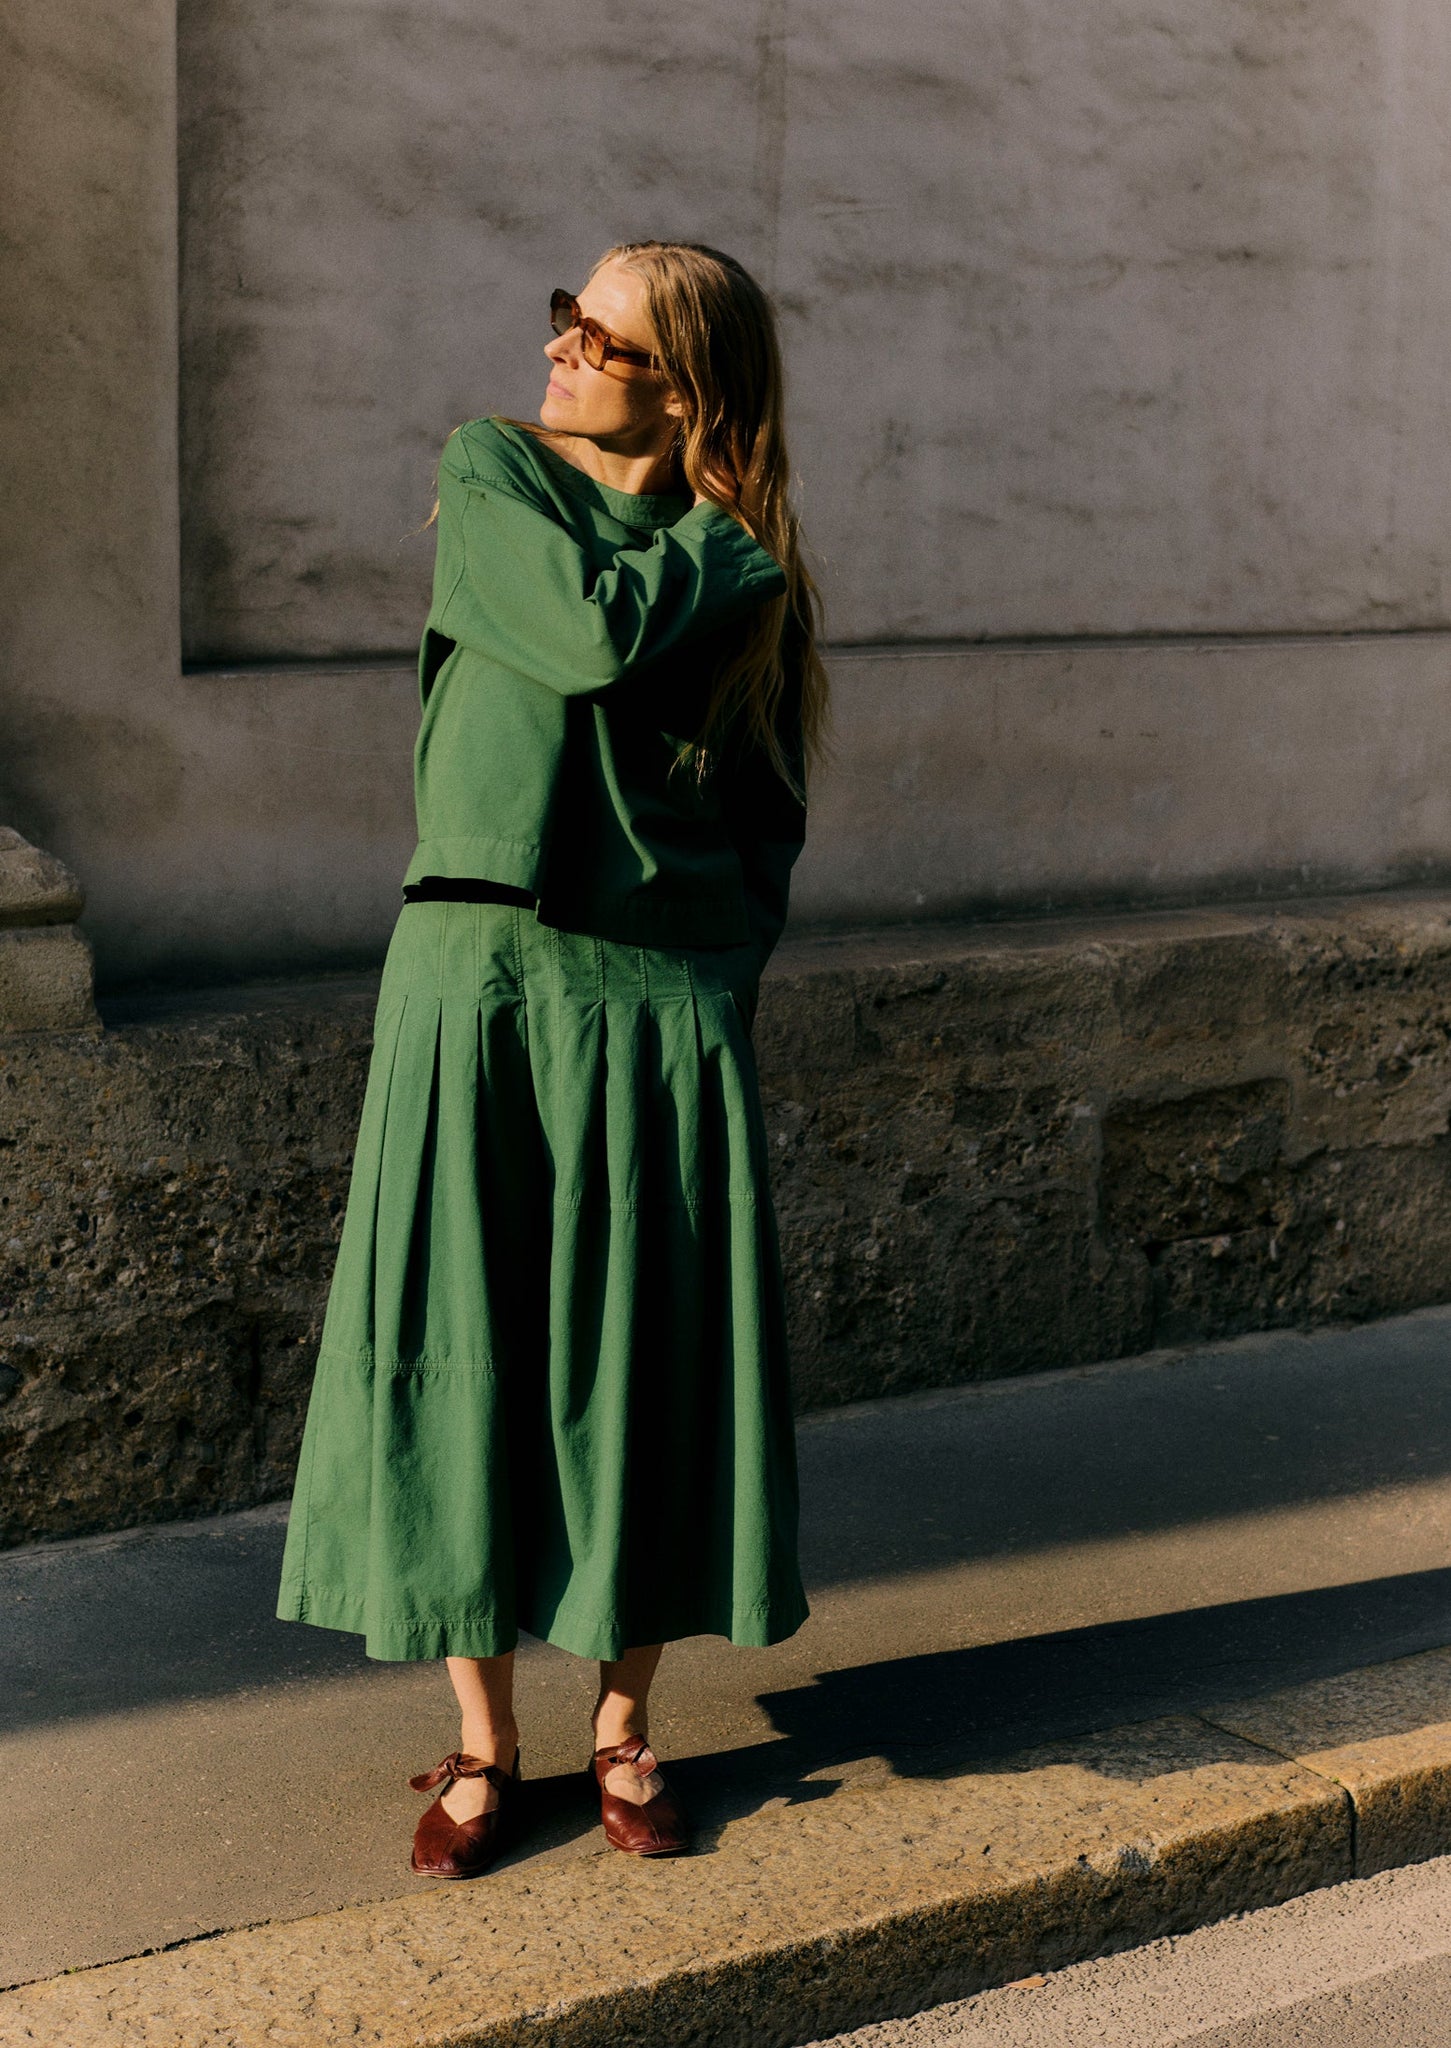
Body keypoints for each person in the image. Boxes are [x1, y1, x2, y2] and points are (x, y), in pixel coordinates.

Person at [274, 238, 832, 1878]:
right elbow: (583, 641)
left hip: (654, 1000)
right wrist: (727, 551)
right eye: (567, 320)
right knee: (464, 1336)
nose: (564, 349)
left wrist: (715, 988)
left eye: (607, 339)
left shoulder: (746, 575)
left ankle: (622, 1727)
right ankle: (479, 1739)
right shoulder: (497, 474)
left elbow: (765, 816)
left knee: (634, 1359)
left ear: (687, 386)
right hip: (475, 969)